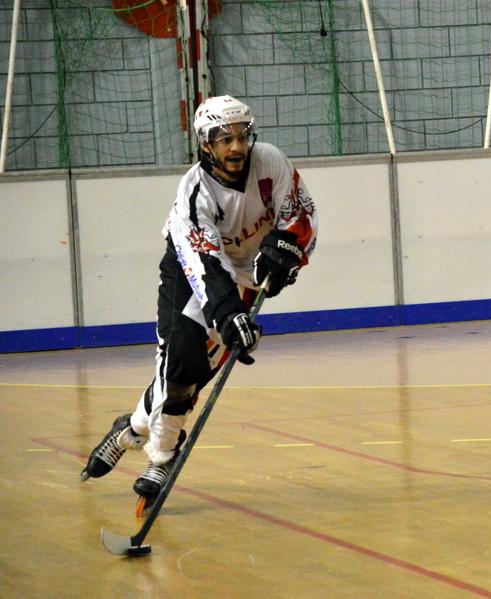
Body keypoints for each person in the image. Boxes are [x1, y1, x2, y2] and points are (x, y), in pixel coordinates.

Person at [80, 95, 318, 503]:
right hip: (190, 270)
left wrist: (285, 250)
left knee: (193, 375)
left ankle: (132, 429)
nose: (236, 146)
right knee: (180, 357)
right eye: (224, 139)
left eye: (242, 135)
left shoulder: (271, 162)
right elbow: (204, 264)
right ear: (205, 144)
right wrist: (228, 314)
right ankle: (162, 457)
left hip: (242, 272)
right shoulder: (195, 193)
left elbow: (300, 214)